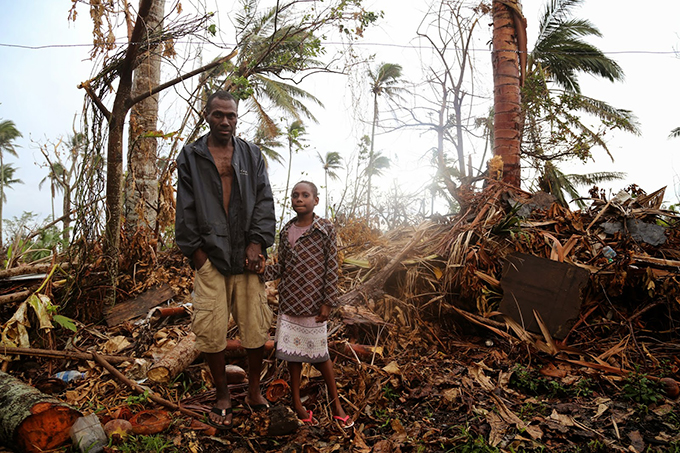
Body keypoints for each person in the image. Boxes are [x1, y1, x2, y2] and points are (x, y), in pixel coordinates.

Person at [175, 90, 276, 428]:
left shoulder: (251, 154)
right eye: (218, 114)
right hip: (211, 258)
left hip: (246, 257)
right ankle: (222, 394)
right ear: (207, 115)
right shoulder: (191, 156)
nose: (225, 121)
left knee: (255, 327)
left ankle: (253, 390)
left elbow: (264, 200)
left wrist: (257, 243)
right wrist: (199, 256)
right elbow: (185, 209)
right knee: (211, 329)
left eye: (231, 116)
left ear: (236, 118)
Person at [262, 181, 353, 428]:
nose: (299, 199)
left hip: (314, 305)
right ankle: (297, 403)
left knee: (321, 355)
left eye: (305, 195)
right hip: (290, 303)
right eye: (295, 195)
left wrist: (327, 302)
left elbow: (331, 267)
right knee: (293, 357)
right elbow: (282, 267)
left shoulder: (325, 229)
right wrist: (261, 271)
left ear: (315, 200)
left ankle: (336, 405)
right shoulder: (286, 231)